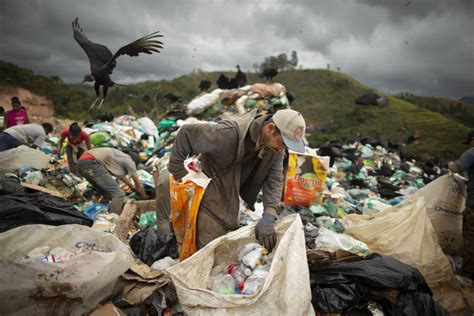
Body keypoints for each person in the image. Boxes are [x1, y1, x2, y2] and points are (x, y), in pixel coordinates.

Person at [155, 108, 306, 251]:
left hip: (229, 186)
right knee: (205, 247)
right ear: (270, 129)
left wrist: (269, 215)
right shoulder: (229, 133)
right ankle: (169, 248)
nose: (282, 149)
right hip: (206, 181)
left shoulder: (275, 148)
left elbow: (275, 179)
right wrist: (179, 172)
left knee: (228, 231)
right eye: (283, 143)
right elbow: (186, 133)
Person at [77, 147, 148, 214]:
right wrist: (144, 197)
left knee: (105, 193)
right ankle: (112, 219)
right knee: (119, 194)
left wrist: (133, 188)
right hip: (92, 162)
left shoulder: (120, 157)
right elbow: (139, 185)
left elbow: (122, 177)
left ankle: (101, 213)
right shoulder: (130, 161)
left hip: (81, 164)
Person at [449, 129, 474, 278]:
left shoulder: (472, 152)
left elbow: (455, 168)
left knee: (471, 240)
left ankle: (468, 273)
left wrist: (450, 163)